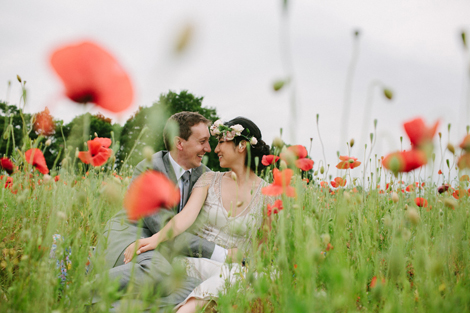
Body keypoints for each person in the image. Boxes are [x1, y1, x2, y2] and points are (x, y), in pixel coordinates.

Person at [123, 117, 272, 313]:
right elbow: (185, 217)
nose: (215, 149)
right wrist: (155, 239)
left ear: (242, 145)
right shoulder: (209, 179)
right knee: (235, 275)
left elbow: (263, 252)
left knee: (244, 274)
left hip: (236, 272)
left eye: (220, 142)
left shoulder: (269, 195)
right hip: (194, 263)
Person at [93, 111, 233, 308]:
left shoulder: (205, 176)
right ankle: (82, 291)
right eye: (202, 141)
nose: (208, 148)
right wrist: (223, 254)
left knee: (195, 288)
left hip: (164, 250)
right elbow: (164, 227)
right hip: (135, 236)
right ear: (179, 143)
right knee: (158, 273)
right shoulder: (149, 169)